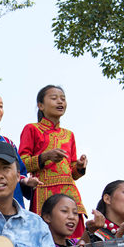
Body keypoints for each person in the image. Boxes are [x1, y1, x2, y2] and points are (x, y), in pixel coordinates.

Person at [18, 85, 88, 238]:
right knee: (45, 243)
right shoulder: (32, 129)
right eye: (54, 98)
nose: (60, 102)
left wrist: (80, 167)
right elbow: (20, 164)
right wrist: (45, 157)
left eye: (63, 98)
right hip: (44, 193)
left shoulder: (69, 135)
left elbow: (72, 171)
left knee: (77, 243)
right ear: (40, 105)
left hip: (70, 193)